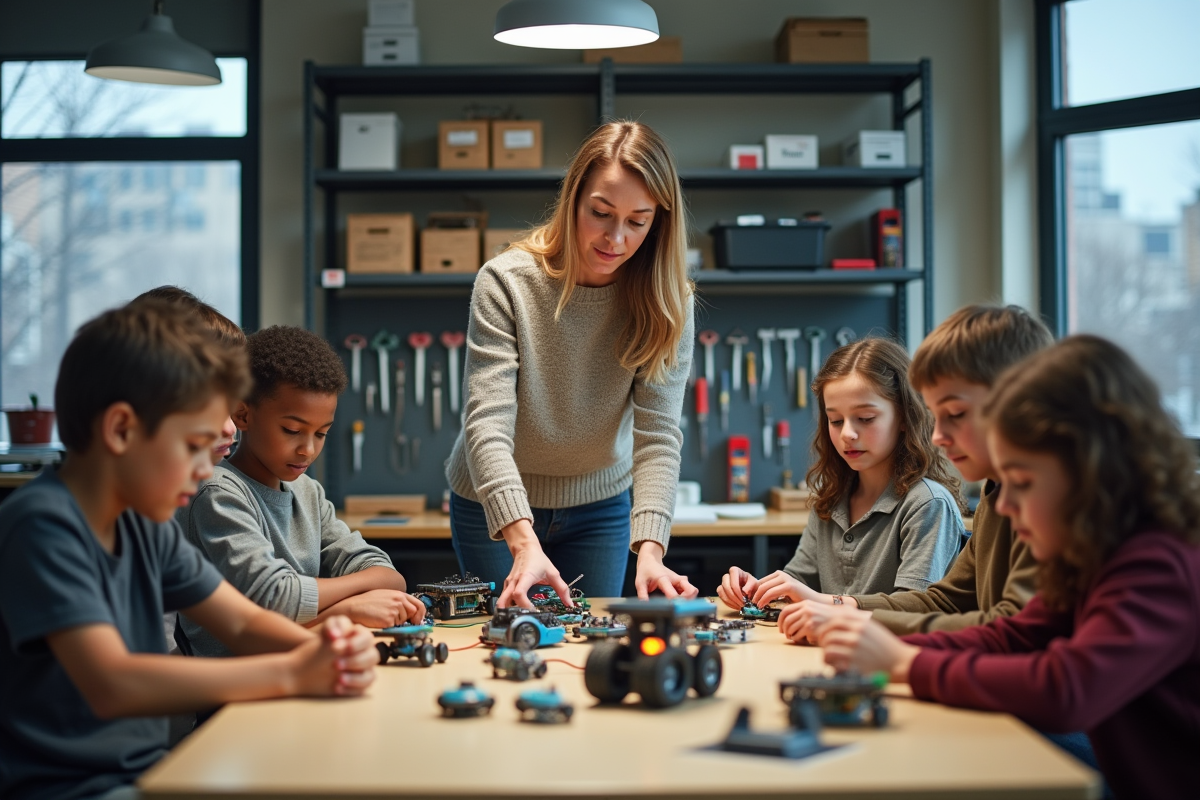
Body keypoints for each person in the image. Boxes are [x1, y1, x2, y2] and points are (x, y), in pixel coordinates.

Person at [0, 301, 377, 800]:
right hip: (68, 788)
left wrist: (328, 655)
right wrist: (291, 672)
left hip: (145, 771)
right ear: (121, 430)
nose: (206, 471)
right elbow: (113, 681)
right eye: (195, 445)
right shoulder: (44, 525)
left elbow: (242, 622)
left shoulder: (143, 525)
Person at [814, 336, 1200, 800]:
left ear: (1091, 466)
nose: (1007, 505)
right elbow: (1013, 635)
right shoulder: (1093, 550)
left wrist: (905, 663)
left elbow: (1067, 690)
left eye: (1022, 481)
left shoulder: (1159, 562)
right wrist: (868, 633)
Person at [444, 120, 696, 607]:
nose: (615, 238)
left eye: (638, 221)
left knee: (587, 646)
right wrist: (522, 540)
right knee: (507, 640)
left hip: (601, 506)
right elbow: (486, 424)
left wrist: (650, 548)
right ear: (574, 199)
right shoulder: (505, 283)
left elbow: (659, 436)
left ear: (659, 221)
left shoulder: (670, 303)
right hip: (492, 506)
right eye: (601, 213)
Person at [777, 304, 1051, 640]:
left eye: (956, 412)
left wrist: (849, 620)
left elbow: (1013, 631)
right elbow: (944, 601)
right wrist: (839, 609)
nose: (937, 435)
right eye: (835, 421)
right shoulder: (998, 492)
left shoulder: (1047, 500)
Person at [178, 326, 424, 659]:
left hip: (296, 662)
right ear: (243, 414)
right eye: (292, 430)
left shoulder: (307, 490)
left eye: (321, 433)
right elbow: (276, 599)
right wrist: (348, 608)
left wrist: (325, 601)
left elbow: (387, 575)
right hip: (235, 689)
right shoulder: (217, 493)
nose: (307, 450)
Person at [718, 337, 966, 610]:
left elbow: (915, 608)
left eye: (866, 418)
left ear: (905, 418)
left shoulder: (928, 504)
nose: (847, 433)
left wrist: (822, 600)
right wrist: (759, 589)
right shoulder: (831, 498)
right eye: (835, 421)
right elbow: (799, 581)